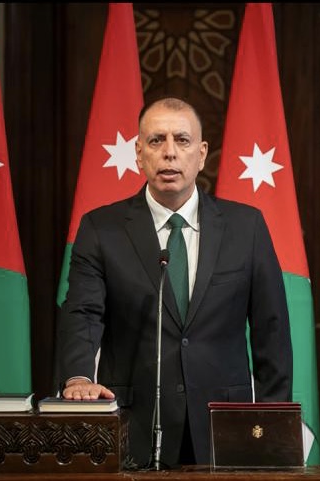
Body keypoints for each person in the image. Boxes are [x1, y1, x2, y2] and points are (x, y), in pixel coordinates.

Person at [56, 96, 293, 468]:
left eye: (182, 140)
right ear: (139, 154)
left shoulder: (246, 227)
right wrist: (78, 377)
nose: (169, 152)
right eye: (156, 140)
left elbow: (271, 330)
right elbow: (82, 313)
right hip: (134, 427)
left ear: (201, 154)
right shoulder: (101, 229)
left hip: (224, 427)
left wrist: (270, 427)